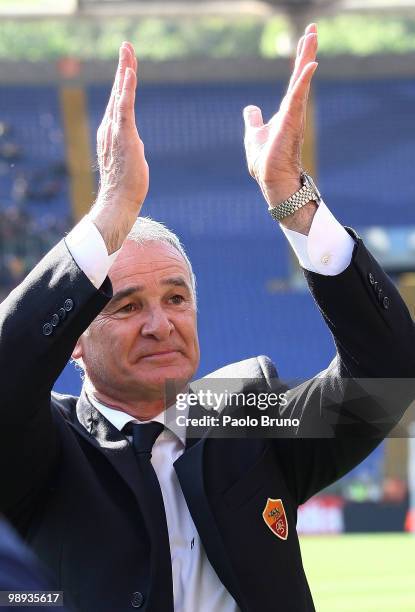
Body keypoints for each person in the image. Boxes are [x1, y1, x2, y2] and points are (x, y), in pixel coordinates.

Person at [1, 23, 414, 612]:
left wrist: (294, 205)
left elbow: (387, 380)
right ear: (73, 341)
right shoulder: (45, 447)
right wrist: (110, 213)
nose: (160, 324)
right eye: (126, 306)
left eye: (175, 299)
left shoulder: (242, 416)